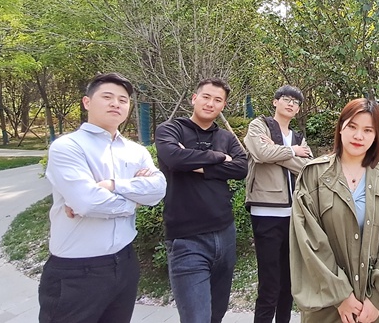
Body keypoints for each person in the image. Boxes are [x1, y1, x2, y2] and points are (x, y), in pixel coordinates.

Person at [39, 73, 167, 323]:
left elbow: (158, 189)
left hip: (125, 263)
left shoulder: (135, 151)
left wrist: (112, 185)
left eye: (123, 100)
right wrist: (135, 200)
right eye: (107, 97)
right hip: (77, 271)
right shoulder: (68, 147)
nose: (115, 104)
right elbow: (88, 202)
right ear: (87, 102)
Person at [290, 98, 379, 323]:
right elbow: (308, 241)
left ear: (376, 136)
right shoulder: (313, 175)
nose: (359, 136)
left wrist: (377, 298)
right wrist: (341, 296)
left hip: (375, 312)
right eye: (352, 127)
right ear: (340, 128)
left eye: (368, 130)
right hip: (327, 308)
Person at [155, 78, 249, 323]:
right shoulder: (171, 129)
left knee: (216, 314)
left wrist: (196, 164)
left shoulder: (226, 137)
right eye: (206, 97)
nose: (210, 103)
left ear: (223, 105)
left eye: (218, 100)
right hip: (187, 239)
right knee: (197, 318)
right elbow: (174, 158)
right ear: (194, 98)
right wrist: (219, 157)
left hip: (225, 233)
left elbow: (241, 168)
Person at [243, 85, 313, 323]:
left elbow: (308, 169)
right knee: (269, 282)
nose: (291, 104)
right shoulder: (259, 125)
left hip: (294, 215)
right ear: (275, 102)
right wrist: (292, 152)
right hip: (266, 211)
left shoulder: (298, 137)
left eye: (296, 102)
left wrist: (276, 152)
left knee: (288, 282)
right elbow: (261, 153)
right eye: (286, 99)